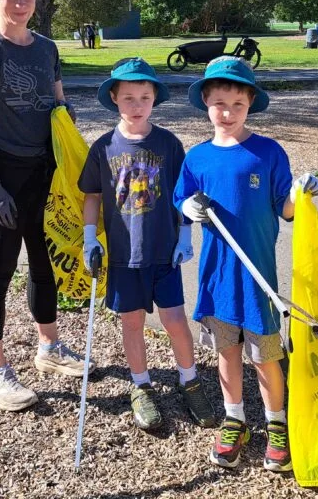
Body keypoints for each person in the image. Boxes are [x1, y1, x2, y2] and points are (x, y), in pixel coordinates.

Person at [172, 56, 318, 473]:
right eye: (219, 104)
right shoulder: (197, 157)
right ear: (206, 102)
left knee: (265, 356)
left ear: (250, 104)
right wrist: (188, 205)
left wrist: (299, 191)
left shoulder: (268, 152)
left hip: (259, 280)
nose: (227, 113)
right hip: (218, 277)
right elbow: (180, 200)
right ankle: (234, 418)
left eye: (237, 105)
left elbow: (286, 210)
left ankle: (277, 424)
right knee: (226, 353)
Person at [0, 0, 88, 413]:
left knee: (44, 263)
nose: (19, 2)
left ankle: (49, 348)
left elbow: (58, 107)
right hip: (1, 175)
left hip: (44, 173)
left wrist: (73, 146)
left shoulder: (47, 49)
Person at [77, 57, 217, 432]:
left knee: (174, 321)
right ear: (114, 100)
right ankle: (140, 385)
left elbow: (184, 195)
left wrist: (186, 235)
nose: (136, 106)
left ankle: (190, 380)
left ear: (154, 99)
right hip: (123, 256)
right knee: (132, 323)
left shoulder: (169, 144)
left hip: (163, 252)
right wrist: (91, 238)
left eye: (144, 97)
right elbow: (91, 194)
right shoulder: (103, 147)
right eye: (128, 98)